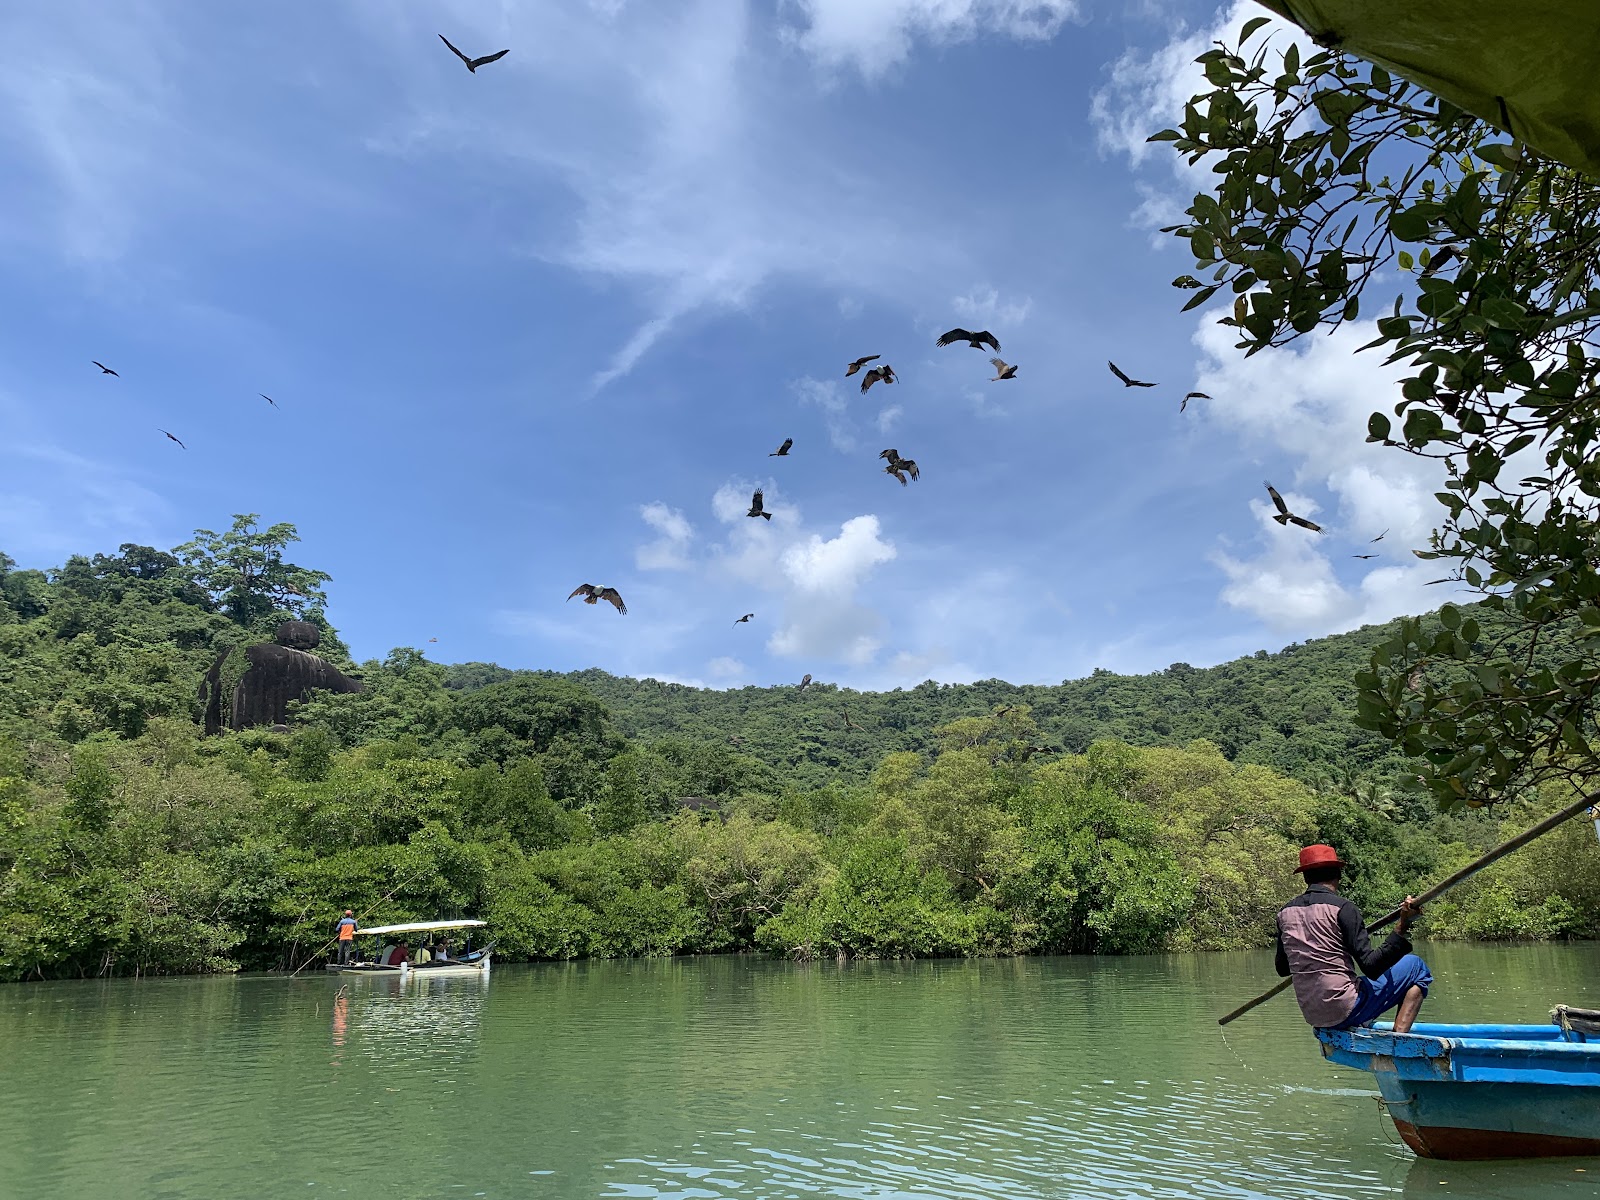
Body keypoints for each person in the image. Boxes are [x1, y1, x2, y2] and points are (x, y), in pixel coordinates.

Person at [1275, 844, 1431, 1033]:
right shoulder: (1343, 908)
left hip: (1313, 1014)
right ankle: (1399, 1039)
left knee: (1361, 981)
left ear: (1305, 878)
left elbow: (1283, 968)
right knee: (1416, 967)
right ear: (1338, 874)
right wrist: (1403, 924)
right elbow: (1371, 967)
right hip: (1345, 1009)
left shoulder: (1285, 913)